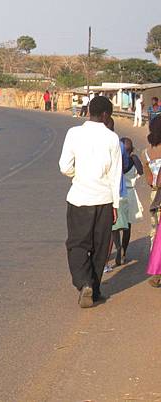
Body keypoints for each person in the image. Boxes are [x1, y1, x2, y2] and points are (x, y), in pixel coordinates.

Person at [59, 96, 122, 308]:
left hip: (79, 198)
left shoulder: (73, 134)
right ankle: (94, 291)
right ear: (106, 115)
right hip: (104, 200)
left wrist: (79, 175)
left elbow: (64, 166)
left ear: (89, 112)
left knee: (77, 244)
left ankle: (83, 283)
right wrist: (115, 205)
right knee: (100, 248)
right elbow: (116, 175)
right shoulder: (112, 138)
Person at [112, 137, 143, 266]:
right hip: (130, 194)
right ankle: (124, 251)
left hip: (117, 193)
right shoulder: (134, 159)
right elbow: (141, 172)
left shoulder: (117, 161)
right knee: (127, 226)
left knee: (114, 225)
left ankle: (118, 247)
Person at [142, 115, 161, 287]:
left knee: (155, 232)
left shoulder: (146, 153)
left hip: (155, 196)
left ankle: (156, 270)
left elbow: (149, 181)